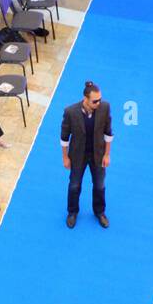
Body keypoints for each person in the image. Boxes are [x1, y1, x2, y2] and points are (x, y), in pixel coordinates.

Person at [61, 80, 113, 228]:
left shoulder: (104, 108)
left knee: (100, 185)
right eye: (95, 101)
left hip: (98, 154)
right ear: (85, 99)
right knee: (74, 185)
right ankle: (72, 212)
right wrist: (65, 157)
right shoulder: (70, 112)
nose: (99, 103)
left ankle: (99, 212)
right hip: (78, 156)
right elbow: (64, 138)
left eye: (100, 99)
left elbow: (108, 134)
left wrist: (107, 154)